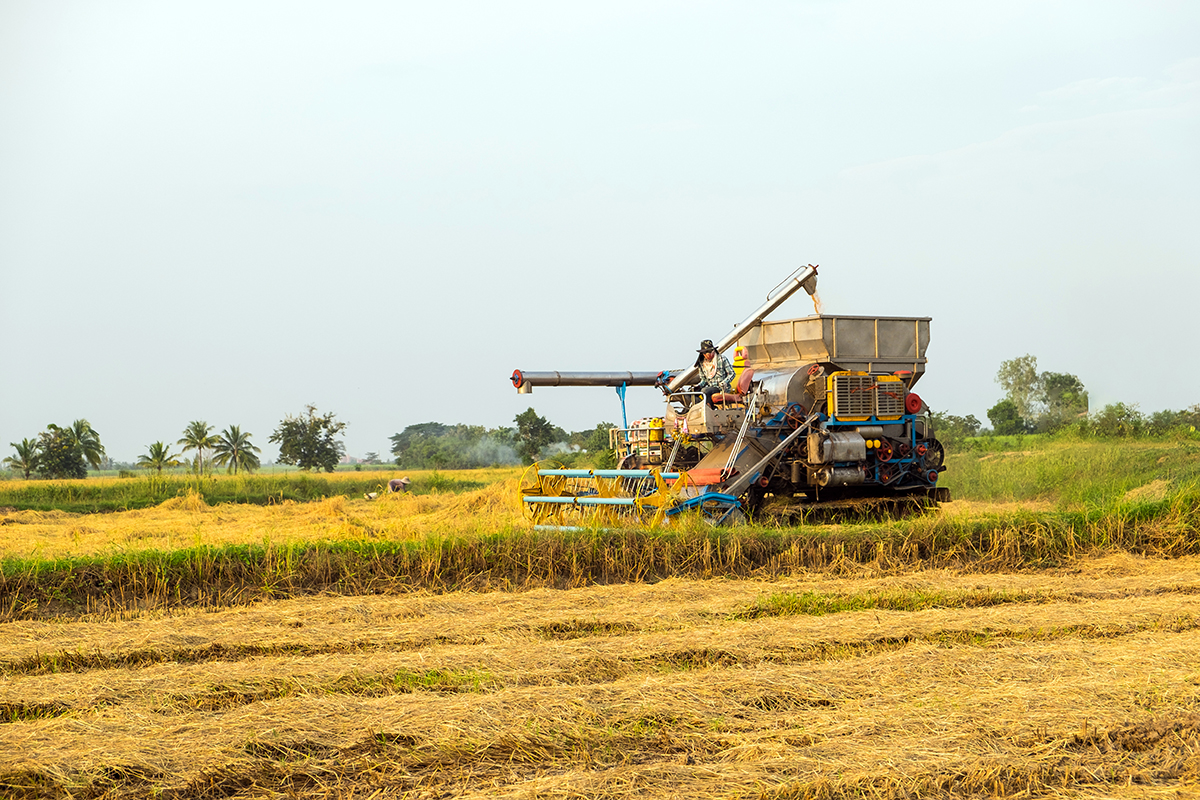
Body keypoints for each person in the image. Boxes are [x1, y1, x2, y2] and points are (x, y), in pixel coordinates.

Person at [694, 339, 735, 408]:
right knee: (692, 393)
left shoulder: (722, 359)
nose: (708, 354)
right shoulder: (701, 363)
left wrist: (724, 382)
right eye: (705, 353)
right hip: (709, 386)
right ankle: (695, 409)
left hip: (720, 388)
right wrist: (697, 386)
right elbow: (704, 380)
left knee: (705, 391)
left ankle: (710, 409)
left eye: (709, 352)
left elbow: (732, 373)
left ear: (713, 350)